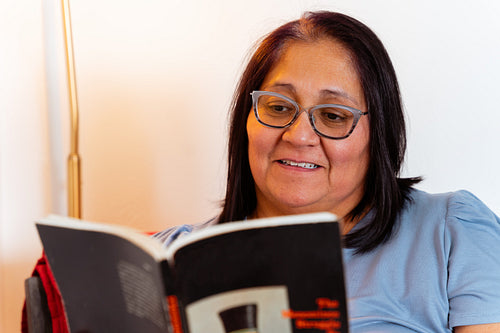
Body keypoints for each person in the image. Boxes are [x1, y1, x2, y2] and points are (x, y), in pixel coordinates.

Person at [156, 11, 500, 332]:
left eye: (333, 116)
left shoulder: (452, 232)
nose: (298, 135)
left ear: (378, 133)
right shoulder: (167, 257)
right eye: (278, 107)